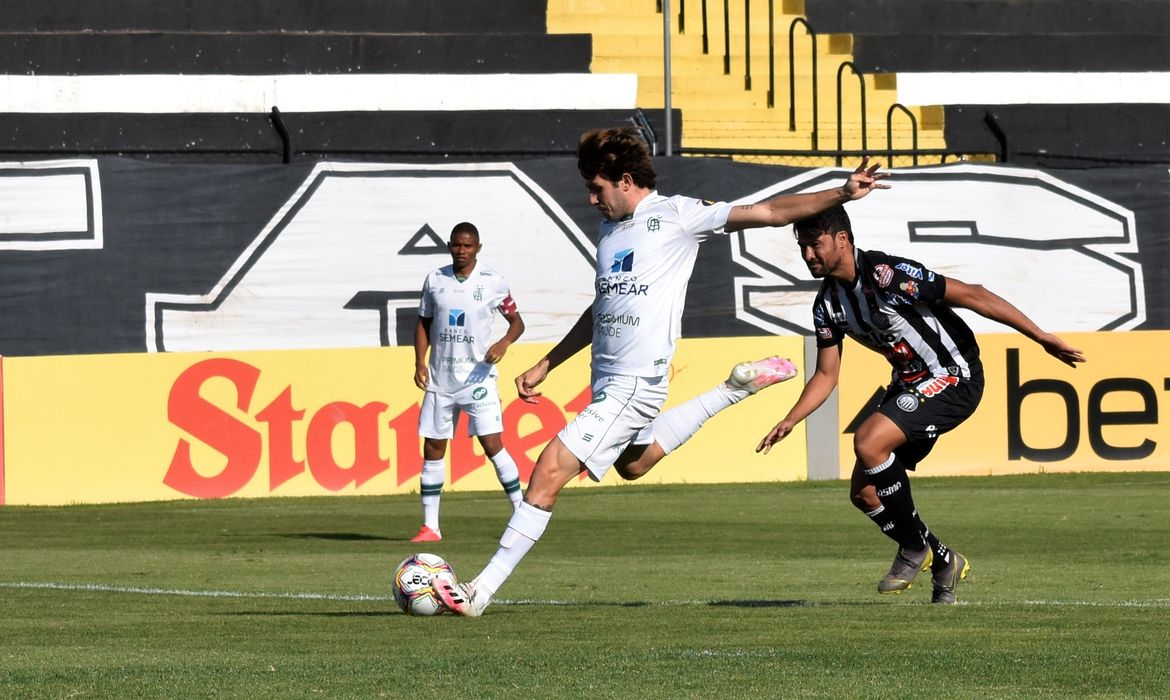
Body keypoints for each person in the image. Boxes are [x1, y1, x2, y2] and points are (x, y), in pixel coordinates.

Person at [432, 127, 889, 615]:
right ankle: (732, 389)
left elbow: (769, 213)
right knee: (634, 463)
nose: (591, 198)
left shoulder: (677, 215)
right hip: (606, 381)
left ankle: (479, 591)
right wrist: (549, 361)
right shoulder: (610, 231)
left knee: (547, 471)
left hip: (634, 386)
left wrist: (842, 191)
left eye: (597, 188)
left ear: (625, 180)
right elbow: (603, 305)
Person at [755, 204, 1086, 603]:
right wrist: (791, 419)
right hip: (910, 383)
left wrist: (1040, 336)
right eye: (802, 247)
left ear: (842, 240)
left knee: (868, 441)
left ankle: (915, 549)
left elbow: (972, 294)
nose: (808, 255)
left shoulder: (888, 276)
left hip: (954, 375)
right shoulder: (827, 305)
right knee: (864, 493)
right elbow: (827, 374)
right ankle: (944, 560)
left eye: (815, 244)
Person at [410, 222, 526, 542]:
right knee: (433, 446)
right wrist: (419, 361)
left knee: (492, 444)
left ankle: (521, 512)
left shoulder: (493, 282)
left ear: (478, 247)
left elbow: (517, 323)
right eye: (456, 245)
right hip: (441, 377)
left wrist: (503, 343)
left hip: (478, 377)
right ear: (449, 245)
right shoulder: (435, 280)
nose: (462, 251)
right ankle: (430, 526)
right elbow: (423, 323)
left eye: (468, 246)